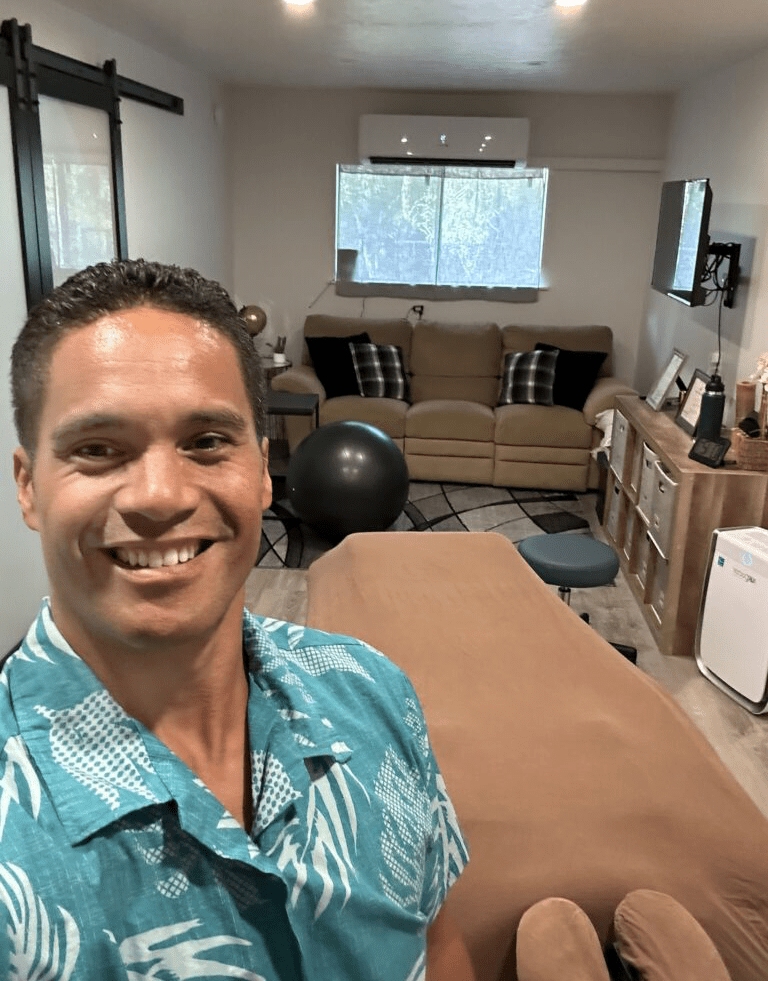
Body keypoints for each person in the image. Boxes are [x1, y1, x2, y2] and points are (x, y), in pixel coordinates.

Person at [1, 259, 475, 980]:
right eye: (99, 449)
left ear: (261, 471)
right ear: (29, 487)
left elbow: (439, 946)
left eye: (206, 442)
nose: (159, 497)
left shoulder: (373, 690)